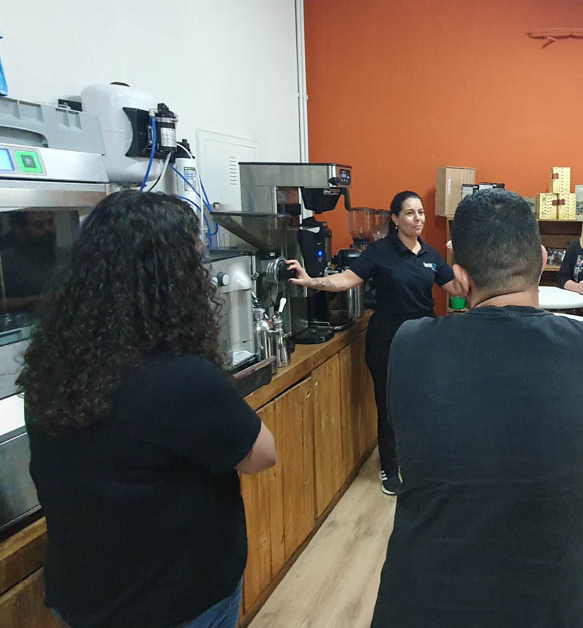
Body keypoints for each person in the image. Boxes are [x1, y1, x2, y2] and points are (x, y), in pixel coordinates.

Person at [370, 189, 583, 628]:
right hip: (561, 605)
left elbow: (417, 443)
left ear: (461, 277)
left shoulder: (411, 344)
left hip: (425, 603)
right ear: (541, 260)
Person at [18, 190, 276, 628]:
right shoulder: (182, 376)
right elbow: (261, 454)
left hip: (85, 597)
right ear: (173, 278)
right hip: (177, 599)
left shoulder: (52, 367)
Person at [287, 190, 466, 495]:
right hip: (387, 341)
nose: (418, 219)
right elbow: (346, 280)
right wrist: (310, 281)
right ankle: (389, 467)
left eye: (421, 212)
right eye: (410, 213)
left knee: (422, 403)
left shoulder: (431, 255)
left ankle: (417, 461)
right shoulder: (380, 252)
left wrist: (462, 254)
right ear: (395, 219)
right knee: (389, 405)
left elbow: (458, 290)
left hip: (423, 341)